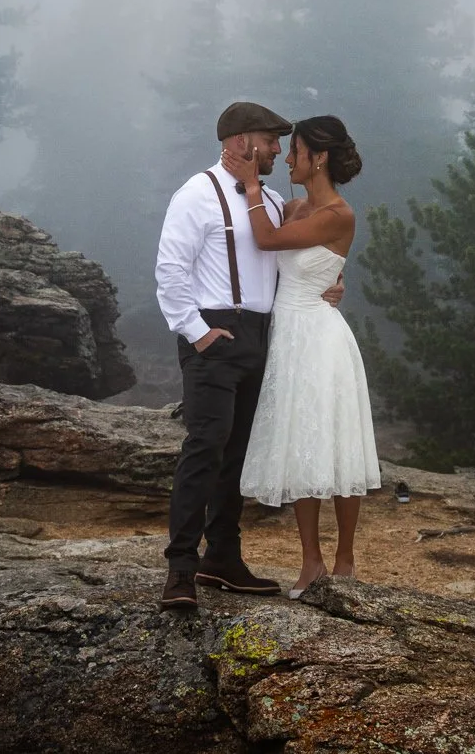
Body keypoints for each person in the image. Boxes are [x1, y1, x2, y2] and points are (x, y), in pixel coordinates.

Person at [154, 101, 345, 610]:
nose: (280, 150)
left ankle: (223, 559)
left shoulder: (275, 199)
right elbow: (170, 270)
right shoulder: (196, 194)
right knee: (206, 445)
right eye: (272, 140)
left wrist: (331, 280)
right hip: (216, 334)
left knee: (237, 453)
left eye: (285, 143)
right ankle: (180, 570)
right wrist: (197, 333)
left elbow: (296, 257)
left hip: (266, 335)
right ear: (241, 141)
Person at [222, 115, 379, 597]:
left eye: (296, 151)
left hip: (319, 336)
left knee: (338, 443)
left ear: (320, 157)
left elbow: (265, 240)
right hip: (288, 338)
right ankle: (311, 561)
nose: (287, 159)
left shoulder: (339, 214)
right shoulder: (292, 209)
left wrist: (250, 187)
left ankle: (345, 559)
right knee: (303, 445)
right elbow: (274, 260)